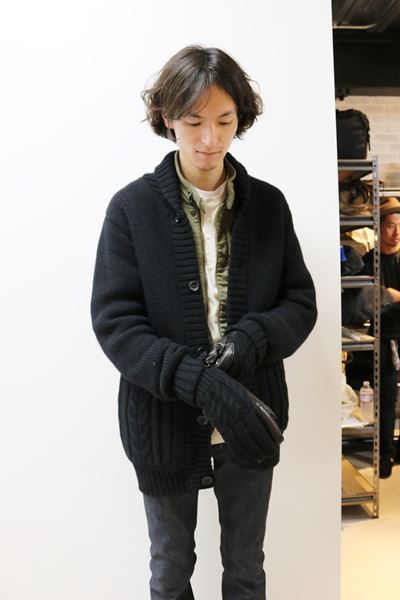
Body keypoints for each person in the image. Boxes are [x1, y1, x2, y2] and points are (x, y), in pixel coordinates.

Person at [90, 45, 317, 600]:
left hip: (249, 417)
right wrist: (194, 378)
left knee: (246, 571)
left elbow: (299, 302)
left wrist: (250, 341)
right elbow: (115, 321)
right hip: (163, 423)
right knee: (170, 573)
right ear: (167, 118)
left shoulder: (268, 205)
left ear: (241, 118)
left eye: (224, 121)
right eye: (194, 122)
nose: (210, 139)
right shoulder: (131, 209)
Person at [363, 197, 400, 478]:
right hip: (384, 338)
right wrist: (389, 296)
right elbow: (364, 301)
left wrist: (388, 296)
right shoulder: (368, 261)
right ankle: (385, 452)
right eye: (390, 226)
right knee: (386, 398)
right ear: (378, 228)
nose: (396, 232)